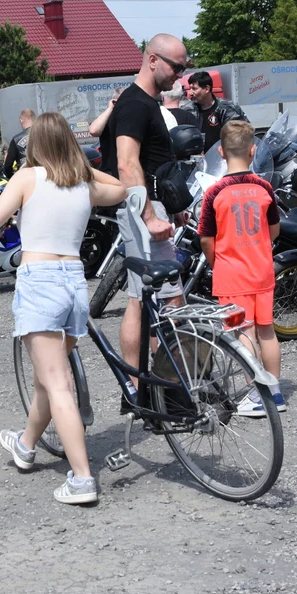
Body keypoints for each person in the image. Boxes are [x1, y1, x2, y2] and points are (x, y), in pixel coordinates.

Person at [0, 112, 127, 505]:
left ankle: (82, 478)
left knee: (57, 381)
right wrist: (85, 168)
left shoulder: (26, 178)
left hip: (40, 280)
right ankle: (26, 444)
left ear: (35, 145)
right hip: (74, 283)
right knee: (48, 377)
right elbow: (120, 188)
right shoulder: (83, 182)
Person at [100, 33, 187, 396]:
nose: (180, 76)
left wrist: (173, 206)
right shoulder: (136, 105)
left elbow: (149, 163)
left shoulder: (143, 102)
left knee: (140, 299)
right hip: (140, 212)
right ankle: (166, 388)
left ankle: (145, 389)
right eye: (175, 66)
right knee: (171, 298)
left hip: (144, 208)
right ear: (152, 60)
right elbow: (126, 162)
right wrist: (150, 216)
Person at [197, 121, 285, 417]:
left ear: (221, 152)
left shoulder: (215, 192)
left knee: (242, 332)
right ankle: (275, 391)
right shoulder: (264, 187)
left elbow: (206, 239)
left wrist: (216, 261)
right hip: (262, 271)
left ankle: (258, 395)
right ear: (253, 151)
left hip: (232, 274)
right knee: (267, 331)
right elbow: (274, 231)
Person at [188, 70, 247, 152]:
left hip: (222, 159)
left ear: (207, 89)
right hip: (198, 160)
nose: (190, 93)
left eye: (194, 88)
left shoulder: (227, 109)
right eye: (189, 88)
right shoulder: (188, 110)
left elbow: (242, 134)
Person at [3, 109, 35, 178]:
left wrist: (14, 178)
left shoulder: (16, 139)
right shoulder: (46, 135)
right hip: (46, 177)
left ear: (21, 120)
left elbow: (8, 166)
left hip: (26, 179)